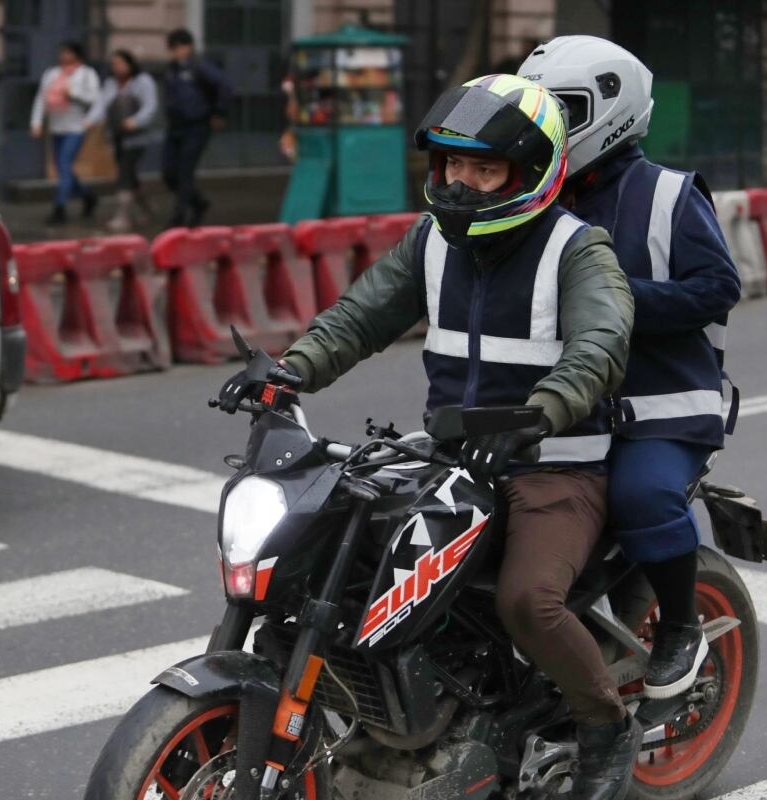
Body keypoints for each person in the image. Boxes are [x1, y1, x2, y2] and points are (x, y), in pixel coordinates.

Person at [217, 74, 639, 800]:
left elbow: (601, 345)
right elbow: (361, 316)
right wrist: (289, 372)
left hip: (553, 467)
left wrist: (539, 412)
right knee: (338, 563)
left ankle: (606, 726)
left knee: (527, 601)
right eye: (451, 164)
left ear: (530, 173)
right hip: (453, 456)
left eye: (483, 167)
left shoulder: (577, 250)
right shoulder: (432, 242)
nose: (461, 182)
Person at [520, 37, 741, 703]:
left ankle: (680, 626)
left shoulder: (671, 196)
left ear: (610, 110)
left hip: (664, 407)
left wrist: (618, 302)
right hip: (567, 410)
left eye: (564, 112)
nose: (548, 131)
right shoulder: (532, 200)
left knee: (641, 496)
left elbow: (717, 287)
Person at [162, 28, 233, 228]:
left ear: (189, 47)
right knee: (169, 173)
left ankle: (180, 216)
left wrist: (219, 113)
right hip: (175, 126)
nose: (177, 52)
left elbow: (225, 86)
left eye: (180, 47)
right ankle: (198, 202)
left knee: (185, 171)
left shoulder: (199, 67)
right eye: (173, 48)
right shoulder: (171, 69)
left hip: (196, 126)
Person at [86, 49, 159, 232]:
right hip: (118, 135)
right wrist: (90, 120)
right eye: (114, 64)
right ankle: (147, 207)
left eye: (120, 63)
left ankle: (123, 215)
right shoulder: (111, 84)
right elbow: (101, 104)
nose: (117, 68)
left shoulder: (143, 82)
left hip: (137, 137)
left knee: (125, 174)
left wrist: (135, 121)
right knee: (129, 175)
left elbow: (150, 107)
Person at [30, 41, 101, 225]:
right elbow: (41, 98)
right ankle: (87, 196)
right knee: (64, 168)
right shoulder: (52, 73)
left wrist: (74, 97)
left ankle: (59, 207)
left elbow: (94, 99)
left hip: (75, 127)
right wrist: (36, 122)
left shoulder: (86, 74)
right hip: (56, 126)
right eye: (62, 52)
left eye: (68, 52)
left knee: (64, 163)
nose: (64, 56)